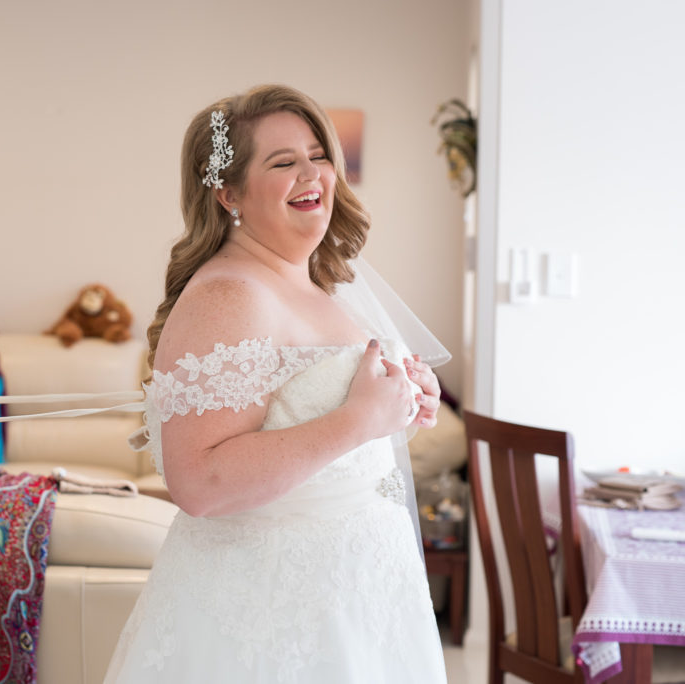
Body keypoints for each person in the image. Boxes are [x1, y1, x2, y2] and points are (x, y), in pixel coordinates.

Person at [104, 84, 449, 684]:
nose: (311, 173)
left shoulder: (320, 284)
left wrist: (404, 401)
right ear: (228, 193)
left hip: (362, 594)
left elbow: (329, 435)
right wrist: (358, 420)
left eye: (318, 155)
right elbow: (200, 482)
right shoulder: (229, 294)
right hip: (270, 615)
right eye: (283, 162)